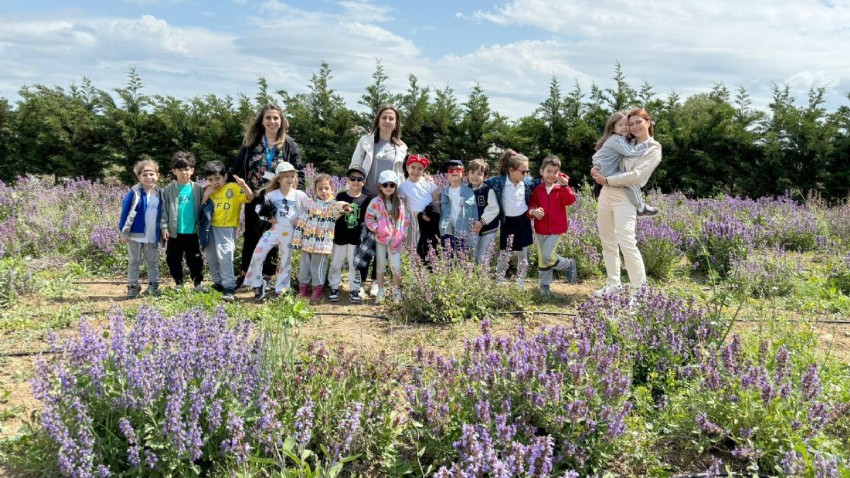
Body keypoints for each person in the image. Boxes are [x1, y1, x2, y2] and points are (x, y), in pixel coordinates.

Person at [590, 108, 663, 296]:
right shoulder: (624, 140)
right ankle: (613, 284)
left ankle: (640, 292)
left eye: (639, 122)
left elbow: (636, 176)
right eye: (631, 123)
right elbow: (607, 158)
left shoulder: (653, 148)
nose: (634, 126)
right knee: (608, 242)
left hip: (625, 196)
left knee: (627, 243)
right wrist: (597, 169)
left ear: (648, 122)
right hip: (607, 193)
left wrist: (607, 180)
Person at [232, 104, 304, 288]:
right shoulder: (251, 143)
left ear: (282, 121)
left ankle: (268, 276)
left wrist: (298, 194)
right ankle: (246, 275)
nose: (272, 121)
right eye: (268, 118)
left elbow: (299, 171)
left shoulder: (289, 144)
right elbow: (238, 167)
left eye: (275, 118)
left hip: (280, 197)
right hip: (255, 196)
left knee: (275, 233)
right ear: (262, 121)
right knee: (251, 235)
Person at [485, 150, 568, 287]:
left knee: (523, 255)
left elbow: (551, 175)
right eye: (523, 171)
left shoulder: (528, 182)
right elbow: (481, 183)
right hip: (508, 223)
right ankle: (499, 279)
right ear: (511, 170)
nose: (526, 174)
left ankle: (521, 280)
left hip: (523, 222)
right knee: (505, 254)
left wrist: (563, 181)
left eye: (527, 171)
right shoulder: (499, 182)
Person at [245, 162, 309, 302]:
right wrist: (269, 217)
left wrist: (300, 219)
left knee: (286, 260)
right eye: (286, 176)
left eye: (292, 176)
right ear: (278, 179)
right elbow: (259, 209)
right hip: (273, 231)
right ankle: (258, 284)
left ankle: (282, 289)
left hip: (289, 233)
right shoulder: (272, 195)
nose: (290, 179)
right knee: (257, 255)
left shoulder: (299, 195)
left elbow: (309, 210)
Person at [290, 174, 352, 303]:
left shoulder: (332, 206)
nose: (323, 191)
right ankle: (303, 290)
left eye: (326, 188)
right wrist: (297, 240)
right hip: (307, 243)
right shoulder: (311, 205)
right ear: (315, 190)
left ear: (332, 190)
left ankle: (317, 291)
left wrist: (346, 206)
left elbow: (340, 205)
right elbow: (302, 222)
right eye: (320, 189)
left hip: (322, 245)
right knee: (304, 267)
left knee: (318, 268)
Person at [202, 160, 255, 302]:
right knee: (211, 255)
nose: (215, 182)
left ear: (225, 177)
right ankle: (217, 283)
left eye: (218, 178)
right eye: (210, 179)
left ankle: (229, 286)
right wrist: (206, 194)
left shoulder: (233, 187)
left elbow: (250, 197)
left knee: (225, 255)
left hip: (226, 227)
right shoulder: (209, 190)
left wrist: (244, 185)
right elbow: (200, 208)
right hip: (209, 228)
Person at [527, 155, 578, 296]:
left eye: (555, 172)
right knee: (543, 259)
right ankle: (544, 285)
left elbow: (570, 200)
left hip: (556, 230)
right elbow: (530, 204)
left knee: (548, 256)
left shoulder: (560, 189)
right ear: (541, 171)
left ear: (559, 173)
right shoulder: (537, 189)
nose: (551, 175)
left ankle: (568, 265)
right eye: (548, 171)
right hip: (540, 229)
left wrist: (565, 186)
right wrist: (533, 211)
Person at [593, 111, 658, 216]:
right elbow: (630, 152)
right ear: (613, 128)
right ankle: (641, 208)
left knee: (630, 184)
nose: (625, 127)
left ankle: (641, 208)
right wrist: (647, 144)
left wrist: (596, 167)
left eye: (627, 124)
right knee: (630, 184)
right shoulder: (617, 140)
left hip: (608, 172)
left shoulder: (621, 139)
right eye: (620, 125)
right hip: (608, 173)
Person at [160, 151, 206, 292]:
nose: (183, 173)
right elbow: (164, 210)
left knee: (195, 259)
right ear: (174, 171)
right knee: (173, 259)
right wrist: (164, 227)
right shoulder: (168, 190)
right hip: (175, 232)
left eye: (186, 169)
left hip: (192, 231)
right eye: (180, 170)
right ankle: (178, 283)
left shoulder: (198, 189)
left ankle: (197, 283)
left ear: (192, 170)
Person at [328, 166, 374, 304]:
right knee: (336, 263)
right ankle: (334, 287)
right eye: (352, 178)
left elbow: (369, 219)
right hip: (340, 236)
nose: (355, 181)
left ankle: (354, 289)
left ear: (364, 182)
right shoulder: (341, 196)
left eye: (359, 179)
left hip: (356, 238)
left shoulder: (367, 199)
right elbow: (333, 213)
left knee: (355, 265)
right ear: (347, 180)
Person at [118, 158, 163, 298]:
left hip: (152, 235)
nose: (148, 177)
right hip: (135, 234)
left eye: (151, 174)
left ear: (157, 175)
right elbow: (125, 212)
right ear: (139, 177)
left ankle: (153, 285)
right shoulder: (134, 193)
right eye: (144, 174)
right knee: (134, 260)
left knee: (152, 261)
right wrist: (123, 232)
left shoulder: (161, 193)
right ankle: (132, 285)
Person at [365, 170, 409, 305]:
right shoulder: (375, 202)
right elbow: (368, 218)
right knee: (380, 266)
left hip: (395, 240)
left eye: (392, 185)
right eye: (385, 185)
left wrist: (402, 234)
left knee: (396, 266)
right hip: (381, 239)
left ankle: (397, 292)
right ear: (380, 186)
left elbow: (405, 220)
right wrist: (378, 229)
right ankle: (381, 291)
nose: (388, 188)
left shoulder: (400, 203)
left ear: (396, 186)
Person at [349, 104, 408, 196]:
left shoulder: (402, 147)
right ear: (378, 121)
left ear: (396, 124)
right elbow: (354, 166)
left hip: (389, 198)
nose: (387, 121)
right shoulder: (365, 141)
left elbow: (406, 173)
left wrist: (424, 178)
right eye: (384, 118)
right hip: (365, 195)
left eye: (391, 118)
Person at [399, 154, 440, 262]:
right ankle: (414, 268)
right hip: (413, 218)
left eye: (420, 169)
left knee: (429, 243)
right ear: (407, 167)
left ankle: (429, 266)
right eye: (413, 167)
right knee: (414, 244)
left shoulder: (428, 183)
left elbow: (436, 201)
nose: (416, 171)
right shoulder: (403, 186)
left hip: (428, 217)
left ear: (424, 170)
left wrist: (431, 214)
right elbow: (403, 205)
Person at [438, 160, 479, 256]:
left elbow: (474, 212)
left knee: (463, 259)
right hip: (447, 228)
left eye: (458, 169)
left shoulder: (469, 192)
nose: (454, 172)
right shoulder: (443, 192)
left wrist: (474, 232)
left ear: (463, 173)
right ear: (447, 174)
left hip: (463, 228)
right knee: (448, 258)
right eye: (451, 170)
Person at [466, 159, 500, 266]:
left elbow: (493, 208)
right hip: (472, 228)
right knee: (472, 255)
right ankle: (472, 279)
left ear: (485, 176)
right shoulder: (465, 190)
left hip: (488, 229)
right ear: (467, 174)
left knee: (484, 257)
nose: (475, 176)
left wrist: (481, 222)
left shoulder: (487, 190)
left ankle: (483, 279)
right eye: (472, 173)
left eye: (479, 174)